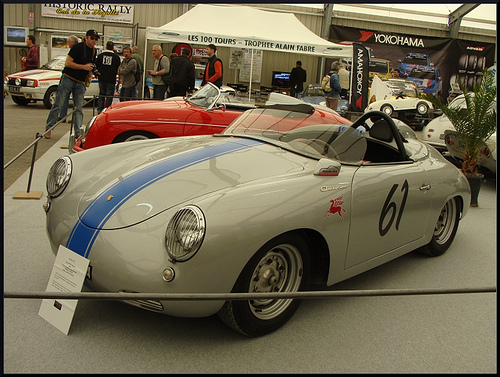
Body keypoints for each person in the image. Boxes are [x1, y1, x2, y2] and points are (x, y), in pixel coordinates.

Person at [44, 29, 99, 139]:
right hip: (68, 78)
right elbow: (68, 63)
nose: (94, 41)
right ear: (86, 38)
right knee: (58, 104)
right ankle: (49, 129)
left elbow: (91, 64)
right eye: (92, 38)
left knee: (78, 108)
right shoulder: (77, 47)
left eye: (96, 39)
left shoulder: (93, 51)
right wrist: (84, 67)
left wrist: (92, 71)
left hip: (81, 82)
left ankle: (78, 133)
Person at [58, 35, 79, 122]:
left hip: (71, 77)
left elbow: (68, 63)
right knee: (73, 99)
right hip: (74, 77)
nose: (67, 43)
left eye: (68, 42)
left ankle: (63, 116)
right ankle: (67, 116)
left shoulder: (75, 50)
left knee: (65, 97)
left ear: (72, 42)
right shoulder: (77, 50)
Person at [95, 40, 121, 112]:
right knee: (109, 95)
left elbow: (96, 65)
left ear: (106, 46)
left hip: (102, 78)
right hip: (111, 79)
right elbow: (118, 68)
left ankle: (100, 109)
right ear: (113, 47)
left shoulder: (100, 56)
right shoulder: (116, 57)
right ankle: (107, 109)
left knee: (101, 94)